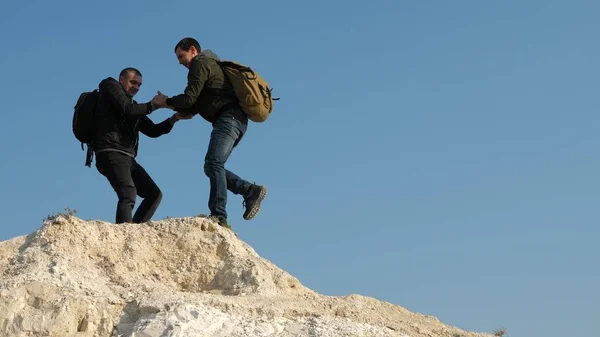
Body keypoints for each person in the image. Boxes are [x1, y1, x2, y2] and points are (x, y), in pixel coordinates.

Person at [151, 37, 267, 228]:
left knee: (213, 163)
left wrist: (166, 102)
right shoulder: (208, 64)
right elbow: (194, 104)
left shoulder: (200, 63)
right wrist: (179, 112)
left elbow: (189, 99)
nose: (181, 62)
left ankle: (219, 216)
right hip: (234, 121)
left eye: (182, 56)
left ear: (193, 50)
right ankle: (250, 190)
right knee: (212, 166)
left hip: (228, 119)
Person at [93, 67, 192, 224]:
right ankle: (123, 235)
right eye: (133, 82)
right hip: (110, 152)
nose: (136, 87)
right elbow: (128, 109)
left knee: (154, 194)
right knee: (128, 193)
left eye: (139, 85)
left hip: (128, 158)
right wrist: (153, 105)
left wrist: (176, 118)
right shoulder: (109, 87)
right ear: (121, 80)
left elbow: (153, 130)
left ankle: (135, 231)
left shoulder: (133, 106)